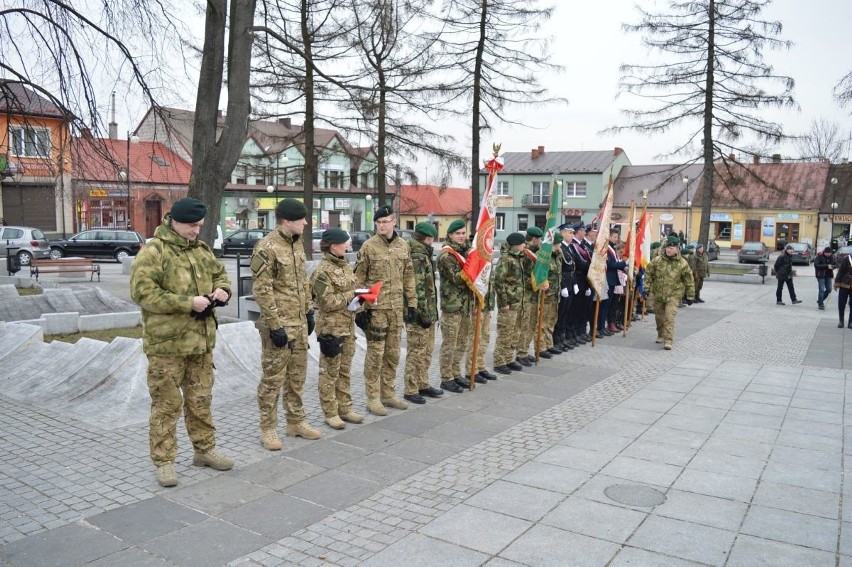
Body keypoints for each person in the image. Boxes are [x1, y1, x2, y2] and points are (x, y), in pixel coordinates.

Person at [130, 197, 233, 488]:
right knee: (166, 405)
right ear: (174, 221)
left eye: (199, 226)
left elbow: (220, 274)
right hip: (167, 346)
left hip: (201, 344)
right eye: (191, 225)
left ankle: (204, 450)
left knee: (201, 401)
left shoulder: (201, 250)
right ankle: (164, 462)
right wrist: (188, 303)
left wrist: (222, 290)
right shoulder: (154, 252)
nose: (196, 231)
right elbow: (143, 293)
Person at [253, 198, 319, 450]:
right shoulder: (267, 247)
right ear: (287, 221)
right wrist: (274, 324)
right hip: (278, 326)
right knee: (272, 379)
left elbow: (302, 282)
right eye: (301, 218)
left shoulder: (297, 244)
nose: (305, 222)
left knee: (297, 377)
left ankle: (295, 421)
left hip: (299, 323)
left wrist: (309, 312)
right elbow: (262, 288)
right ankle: (268, 428)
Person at [354, 205, 417, 415]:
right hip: (376, 309)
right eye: (378, 222)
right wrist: (361, 308)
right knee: (375, 354)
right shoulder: (368, 247)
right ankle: (373, 397)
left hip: (397, 308)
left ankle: (388, 393)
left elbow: (408, 276)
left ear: (394, 222)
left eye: (385, 222)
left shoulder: (403, 246)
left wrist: (412, 304)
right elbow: (359, 278)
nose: (382, 225)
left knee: (392, 353)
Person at [309, 228, 364, 429]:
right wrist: (352, 294)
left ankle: (345, 408)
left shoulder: (346, 267)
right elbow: (327, 302)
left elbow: (351, 293)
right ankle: (330, 412)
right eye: (345, 243)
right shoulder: (322, 271)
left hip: (348, 327)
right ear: (333, 246)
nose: (348, 246)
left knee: (345, 370)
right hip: (331, 330)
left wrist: (362, 298)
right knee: (329, 372)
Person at [402, 222, 449, 402]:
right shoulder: (417, 257)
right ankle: (411, 388)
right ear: (428, 239)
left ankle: (423, 383)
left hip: (427, 312)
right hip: (419, 315)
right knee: (416, 351)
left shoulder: (424, 255)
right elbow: (416, 288)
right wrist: (422, 314)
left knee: (427, 350)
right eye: (432, 239)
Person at [438, 219, 479, 389]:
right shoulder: (446, 256)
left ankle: (456, 374)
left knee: (462, 342)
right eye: (458, 234)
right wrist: (473, 264)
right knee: (450, 344)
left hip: (466, 306)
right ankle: (446, 378)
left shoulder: (466, 253)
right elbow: (457, 279)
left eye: (463, 233)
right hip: (452, 307)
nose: (461, 236)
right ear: (450, 235)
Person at [646, 235, 695, 350]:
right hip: (658, 293)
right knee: (659, 317)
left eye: (672, 248)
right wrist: (647, 288)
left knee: (669, 317)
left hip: (673, 295)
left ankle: (668, 340)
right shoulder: (657, 261)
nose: (669, 250)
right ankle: (660, 334)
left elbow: (689, 279)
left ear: (677, 249)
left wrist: (690, 295)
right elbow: (648, 274)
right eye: (668, 247)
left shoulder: (682, 263)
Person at [493, 233, 526, 374]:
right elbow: (499, 282)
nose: (525, 246)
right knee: (505, 333)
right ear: (516, 245)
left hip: (517, 302)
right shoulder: (506, 259)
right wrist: (504, 302)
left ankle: (508, 358)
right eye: (523, 243)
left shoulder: (517, 258)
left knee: (514, 332)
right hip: (509, 304)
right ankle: (499, 362)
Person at [815, 246, 835, 311]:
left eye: (830, 253)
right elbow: (816, 265)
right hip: (820, 275)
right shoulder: (819, 256)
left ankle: (820, 300)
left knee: (829, 289)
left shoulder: (832, 256)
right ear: (824, 252)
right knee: (821, 289)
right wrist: (826, 266)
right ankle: (821, 304)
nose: (829, 254)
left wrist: (833, 266)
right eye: (827, 253)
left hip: (828, 275)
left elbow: (836, 263)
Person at [835, 253, 852, 328]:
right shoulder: (847, 259)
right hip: (844, 284)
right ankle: (841, 321)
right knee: (841, 303)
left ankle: (851, 322)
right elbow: (840, 271)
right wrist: (837, 283)